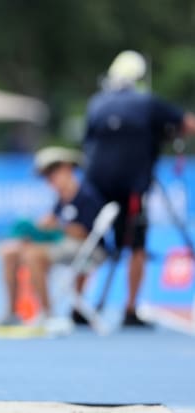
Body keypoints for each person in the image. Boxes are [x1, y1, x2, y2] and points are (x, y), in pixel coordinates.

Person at [82, 50, 195, 327]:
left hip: (95, 184)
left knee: (87, 242)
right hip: (132, 185)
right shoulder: (147, 102)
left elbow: (87, 142)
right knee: (137, 246)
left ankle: (78, 304)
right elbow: (186, 125)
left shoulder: (97, 103)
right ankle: (130, 309)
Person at [0, 147, 107, 330]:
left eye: (52, 174)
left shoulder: (86, 195)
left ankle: (48, 314)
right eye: (47, 177)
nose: (49, 181)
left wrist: (56, 228)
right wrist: (37, 231)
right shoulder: (61, 200)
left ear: (66, 169)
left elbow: (86, 233)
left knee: (33, 256)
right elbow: (53, 225)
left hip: (88, 250)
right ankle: (12, 313)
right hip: (65, 245)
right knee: (10, 251)